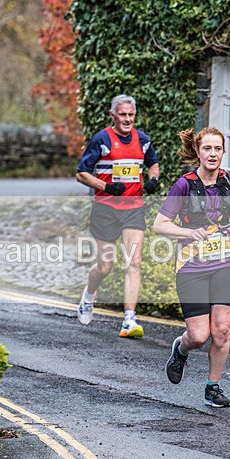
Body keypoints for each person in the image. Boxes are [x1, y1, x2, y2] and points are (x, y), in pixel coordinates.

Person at [153, 127, 230, 408]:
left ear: (223, 152)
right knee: (199, 336)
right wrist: (188, 233)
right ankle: (180, 349)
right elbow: (159, 224)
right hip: (192, 267)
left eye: (218, 149)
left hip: (226, 265)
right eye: (207, 149)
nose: (213, 154)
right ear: (198, 152)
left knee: (222, 330)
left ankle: (212, 387)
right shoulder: (184, 186)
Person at [75, 94, 160, 338]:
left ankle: (129, 320)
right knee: (105, 266)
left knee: (134, 262)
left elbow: (152, 162)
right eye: (122, 114)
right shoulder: (102, 139)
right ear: (113, 115)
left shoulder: (142, 139)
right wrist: (107, 187)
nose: (127, 119)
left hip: (133, 208)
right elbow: (82, 173)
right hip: (106, 210)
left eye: (131, 115)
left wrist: (153, 180)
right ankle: (89, 295)